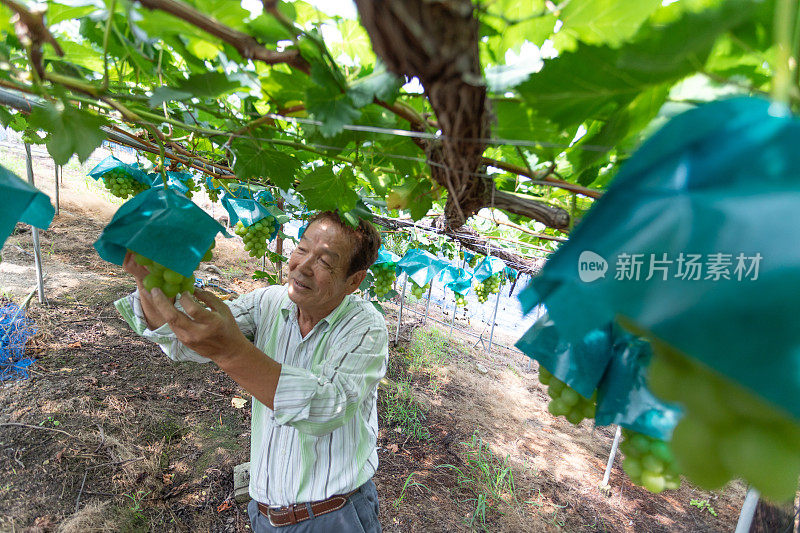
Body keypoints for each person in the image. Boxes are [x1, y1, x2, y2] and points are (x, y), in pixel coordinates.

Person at [115, 211, 387, 532]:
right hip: (264, 516)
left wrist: (232, 351)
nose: (302, 266)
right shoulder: (268, 303)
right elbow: (187, 342)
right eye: (301, 248)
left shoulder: (365, 327)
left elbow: (325, 409)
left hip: (335, 518)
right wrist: (147, 282)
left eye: (325, 262)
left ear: (354, 281)